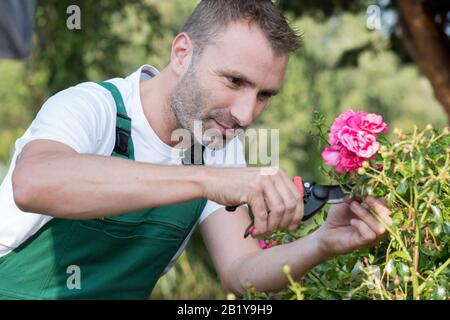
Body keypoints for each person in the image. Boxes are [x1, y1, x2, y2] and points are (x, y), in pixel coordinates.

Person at [0, 0, 392, 299]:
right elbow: (34, 183)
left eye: (264, 95)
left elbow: (241, 271)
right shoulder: (94, 107)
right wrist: (207, 180)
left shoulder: (215, 140)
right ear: (182, 54)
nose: (245, 114)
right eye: (234, 80)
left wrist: (321, 242)